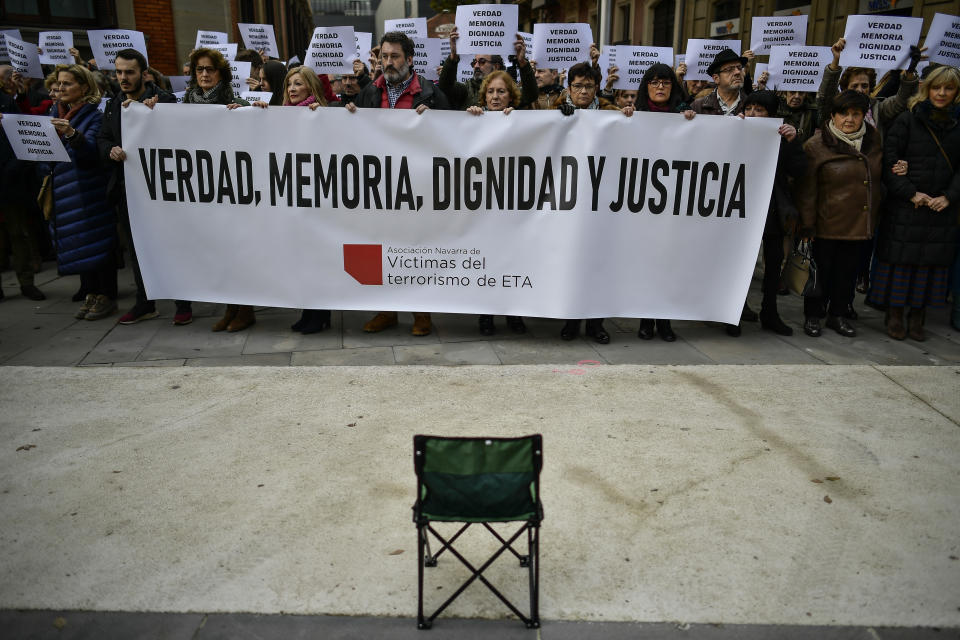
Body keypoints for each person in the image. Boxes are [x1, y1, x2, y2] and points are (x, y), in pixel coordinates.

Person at [345, 31, 450, 337]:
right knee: (382, 247)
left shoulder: (430, 93)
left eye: (395, 57)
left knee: (416, 248)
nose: (388, 63)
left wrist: (435, 121)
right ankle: (387, 311)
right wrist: (349, 115)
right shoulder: (369, 93)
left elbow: (452, 138)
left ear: (410, 60)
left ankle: (422, 314)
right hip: (379, 188)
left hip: (417, 188)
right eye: (385, 56)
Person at [97, 48, 186, 325]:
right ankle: (144, 302)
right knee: (137, 248)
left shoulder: (166, 101)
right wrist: (110, 149)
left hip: (162, 190)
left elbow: (183, 139)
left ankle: (183, 302)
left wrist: (157, 116)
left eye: (129, 72)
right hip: (128, 189)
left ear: (144, 74)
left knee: (171, 245)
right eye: (119, 72)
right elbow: (102, 137)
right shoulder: (113, 104)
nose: (123, 78)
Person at [871, 65, 960, 341]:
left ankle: (917, 317)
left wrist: (949, 197)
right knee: (901, 261)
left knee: (930, 265)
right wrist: (911, 193)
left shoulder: (959, 124)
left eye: (948, 88)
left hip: (941, 207)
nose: (942, 93)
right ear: (927, 88)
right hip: (907, 205)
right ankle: (895, 314)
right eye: (937, 87)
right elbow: (888, 161)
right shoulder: (907, 120)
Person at [554, 61, 631, 344]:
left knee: (598, 265)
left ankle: (596, 323)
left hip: (602, 201)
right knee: (572, 263)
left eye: (588, 86)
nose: (583, 91)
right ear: (569, 87)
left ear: (597, 87)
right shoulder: (555, 113)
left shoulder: (613, 114)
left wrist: (629, 117)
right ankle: (571, 321)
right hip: (569, 202)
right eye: (577, 86)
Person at [796, 90, 884, 338]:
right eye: (843, 113)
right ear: (833, 115)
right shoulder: (816, 145)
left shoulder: (873, 141)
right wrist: (807, 226)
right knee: (820, 273)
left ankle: (838, 315)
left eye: (856, 114)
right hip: (826, 223)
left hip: (859, 223)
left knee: (847, 274)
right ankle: (813, 315)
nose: (849, 119)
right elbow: (806, 191)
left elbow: (880, 177)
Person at [253, 66, 333, 334]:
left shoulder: (322, 114)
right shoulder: (283, 114)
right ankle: (309, 311)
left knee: (316, 259)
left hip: (318, 200)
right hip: (294, 198)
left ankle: (319, 313)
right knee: (301, 258)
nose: (291, 89)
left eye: (298, 84)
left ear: (311, 87)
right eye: (289, 85)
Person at [181, 48, 256, 332]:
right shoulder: (185, 102)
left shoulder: (234, 101)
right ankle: (229, 308)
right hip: (202, 190)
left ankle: (245, 309)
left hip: (231, 190)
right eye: (199, 69)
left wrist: (249, 112)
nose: (204, 74)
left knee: (236, 251)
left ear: (220, 73)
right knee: (218, 253)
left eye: (209, 69)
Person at [44, 64, 118, 320]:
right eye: (59, 84)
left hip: (90, 191)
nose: (61, 89)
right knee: (79, 242)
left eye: (67, 84)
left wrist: (72, 134)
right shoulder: (55, 111)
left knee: (98, 240)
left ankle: (107, 294)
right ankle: (91, 292)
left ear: (84, 87)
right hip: (67, 190)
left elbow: (91, 154)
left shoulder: (95, 116)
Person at [465, 65, 531, 336]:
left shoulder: (522, 119)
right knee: (487, 259)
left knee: (513, 259)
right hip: (484, 206)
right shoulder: (474, 118)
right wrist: (468, 118)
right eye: (490, 91)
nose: (495, 97)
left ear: (510, 96)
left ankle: (515, 314)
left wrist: (519, 122)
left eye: (501, 91)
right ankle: (487, 315)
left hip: (514, 207)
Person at [633, 63, 692, 342]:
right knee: (645, 263)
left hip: (673, 205)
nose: (660, 87)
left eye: (666, 83)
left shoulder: (686, 117)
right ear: (646, 87)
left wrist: (694, 122)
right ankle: (646, 318)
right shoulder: (634, 117)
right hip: (642, 205)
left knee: (669, 262)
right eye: (654, 82)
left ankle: (664, 320)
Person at [741, 90, 806, 336]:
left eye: (759, 110)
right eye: (749, 109)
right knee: (741, 264)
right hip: (742, 208)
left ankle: (770, 312)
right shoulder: (736, 132)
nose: (753, 114)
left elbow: (799, 170)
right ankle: (735, 312)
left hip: (771, 209)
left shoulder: (781, 137)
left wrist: (792, 142)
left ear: (771, 114)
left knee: (773, 264)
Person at [0, 80, 45, 301]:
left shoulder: (7, 103)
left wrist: (11, 169)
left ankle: (26, 282)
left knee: (19, 234)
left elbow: (22, 139)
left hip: (10, 180)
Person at [817, 38, 920, 134]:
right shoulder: (836, 106)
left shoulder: (878, 108)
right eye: (854, 86)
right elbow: (826, 94)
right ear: (845, 88)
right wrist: (836, 60)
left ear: (871, 87)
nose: (860, 90)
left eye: (864, 86)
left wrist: (910, 71)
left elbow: (903, 100)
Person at [690, 48, 748, 117]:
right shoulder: (698, 106)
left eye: (739, 68)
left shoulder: (752, 105)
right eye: (729, 69)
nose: (737, 72)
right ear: (716, 78)